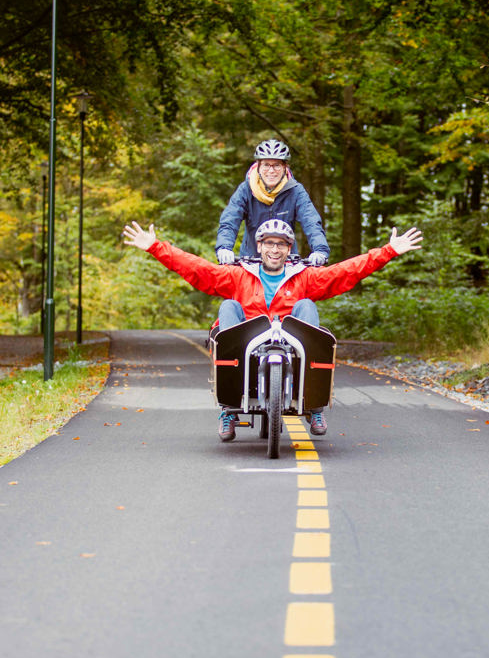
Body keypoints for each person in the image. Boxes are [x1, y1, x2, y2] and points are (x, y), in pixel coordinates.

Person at [123, 218, 423, 441]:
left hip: (293, 339)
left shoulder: (303, 276)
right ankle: (229, 407)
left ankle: (314, 403)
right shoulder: (240, 275)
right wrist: (154, 247)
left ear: (289, 249)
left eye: (281, 244)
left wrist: (388, 251)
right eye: (269, 243)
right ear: (259, 246)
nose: (275, 249)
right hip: (248, 338)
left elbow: (346, 271)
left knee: (307, 304)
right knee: (228, 306)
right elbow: (198, 269)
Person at [215, 138, 330, 266]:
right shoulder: (246, 189)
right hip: (251, 262)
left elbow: (312, 222)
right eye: (266, 165)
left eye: (276, 165)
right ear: (258, 166)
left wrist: (320, 250)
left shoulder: (296, 191)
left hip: (285, 263)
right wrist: (224, 248)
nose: (271, 171)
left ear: (285, 167)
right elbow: (229, 221)